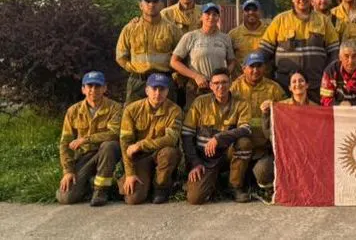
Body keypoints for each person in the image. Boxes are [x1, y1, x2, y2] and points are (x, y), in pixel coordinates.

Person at [183, 68, 253, 204]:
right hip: (205, 159)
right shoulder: (200, 103)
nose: (220, 86)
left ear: (230, 83)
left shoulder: (241, 103)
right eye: (216, 83)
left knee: (244, 142)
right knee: (195, 198)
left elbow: (246, 128)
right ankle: (214, 182)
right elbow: (187, 134)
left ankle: (235, 186)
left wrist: (219, 138)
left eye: (224, 82)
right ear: (210, 86)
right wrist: (195, 162)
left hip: (227, 154)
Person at [259, 0, 339, 102]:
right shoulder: (280, 20)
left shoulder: (323, 21)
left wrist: (327, 75)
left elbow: (334, 51)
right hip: (285, 85)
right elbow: (264, 51)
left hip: (316, 84)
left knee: (314, 118)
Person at [56, 71, 122, 206]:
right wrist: (68, 171)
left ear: (104, 88)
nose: (93, 90)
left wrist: (86, 139)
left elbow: (115, 133)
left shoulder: (115, 108)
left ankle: (101, 191)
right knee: (66, 198)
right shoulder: (73, 111)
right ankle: (87, 185)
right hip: (85, 156)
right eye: (90, 86)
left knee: (109, 145)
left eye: (98, 86)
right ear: (83, 89)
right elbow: (65, 143)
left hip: (108, 154)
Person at [118, 73, 183, 205]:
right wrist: (130, 173)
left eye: (162, 89)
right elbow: (126, 143)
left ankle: (161, 188)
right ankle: (131, 181)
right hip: (139, 157)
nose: (158, 93)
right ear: (147, 90)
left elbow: (171, 139)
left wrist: (141, 144)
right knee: (133, 199)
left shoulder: (174, 110)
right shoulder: (131, 109)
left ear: (167, 91)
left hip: (160, 155)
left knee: (170, 152)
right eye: (154, 89)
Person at [230, 52, 287, 194]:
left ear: (265, 68)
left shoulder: (274, 88)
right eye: (251, 66)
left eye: (259, 66)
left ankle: (260, 183)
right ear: (243, 68)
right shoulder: (234, 88)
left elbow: (287, 111)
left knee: (263, 172)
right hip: (239, 148)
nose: (255, 70)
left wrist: (275, 105)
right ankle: (235, 186)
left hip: (263, 150)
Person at [116, 0, 182, 104]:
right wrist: (134, 70)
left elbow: (182, 55)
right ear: (141, 5)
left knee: (167, 116)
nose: (151, 5)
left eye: (155, 1)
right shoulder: (130, 28)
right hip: (138, 81)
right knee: (133, 115)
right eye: (148, 1)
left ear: (162, 5)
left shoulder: (171, 29)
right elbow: (121, 56)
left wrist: (176, 74)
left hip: (164, 79)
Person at [171, 3, 236, 109]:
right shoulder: (190, 36)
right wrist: (196, 76)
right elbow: (174, 61)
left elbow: (232, 61)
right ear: (201, 16)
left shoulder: (225, 38)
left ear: (218, 17)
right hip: (195, 88)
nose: (211, 17)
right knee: (193, 120)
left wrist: (224, 76)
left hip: (218, 89)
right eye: (207, 13)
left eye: (215, 14)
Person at [228, 0, 270, 77]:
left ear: (260, 12)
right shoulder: (233, 34)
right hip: (240, 83)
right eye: (247, 10)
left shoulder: (269, 32)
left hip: (265, 83)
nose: (251, 12)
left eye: (254, 9)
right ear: (242, 13)